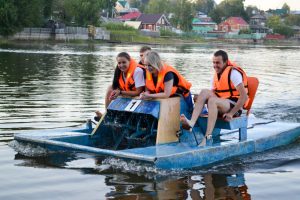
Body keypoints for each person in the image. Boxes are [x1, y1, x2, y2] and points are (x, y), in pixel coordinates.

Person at [180, 50, 249, 146]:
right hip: (222, 103)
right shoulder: (216, 75)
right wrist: (200, 99)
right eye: (213, 62)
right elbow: (213, 93)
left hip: (235, 107)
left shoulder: (233, 73)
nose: (215, 65)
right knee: (204, 92)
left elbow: (244, 97)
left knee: (212, 101)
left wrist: (231, 113)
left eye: (218, 63)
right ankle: (191, 122)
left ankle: (207, 137)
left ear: (225, 62)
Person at [95, 52, 145, 121]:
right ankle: (107, 114)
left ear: (129, 62)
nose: (121, 65)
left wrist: (120, 92)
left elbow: (138, 92)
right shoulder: (119, 71)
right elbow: (118, 85)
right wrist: (114, 93)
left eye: (124, 62)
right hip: (127, 92)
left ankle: (110, 117)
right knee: (110, 88)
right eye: (119, 63)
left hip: (139, 96)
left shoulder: (137, 71)